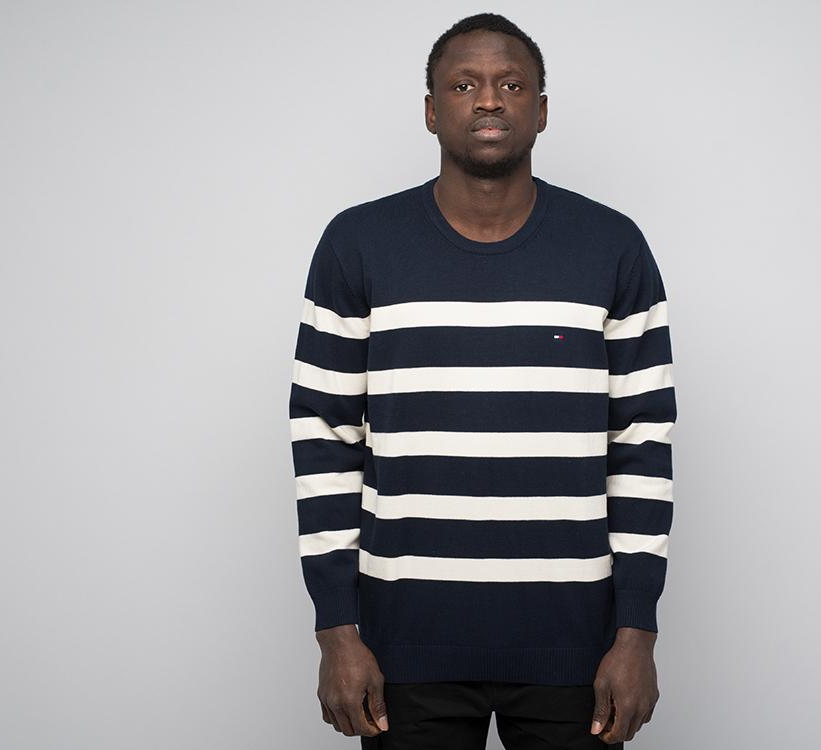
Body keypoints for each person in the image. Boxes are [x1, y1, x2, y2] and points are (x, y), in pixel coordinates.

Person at [288, 12, 677, 749]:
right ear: (432, 111)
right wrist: (336, 633)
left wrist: (637, 635)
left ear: (542, 110)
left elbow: (642, 445)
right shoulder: (357, 244)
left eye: (511, 84)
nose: (490, 99)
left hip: (577, 648)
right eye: (464, 85)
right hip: (402, 648)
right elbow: (324, 439)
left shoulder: (612, 246)